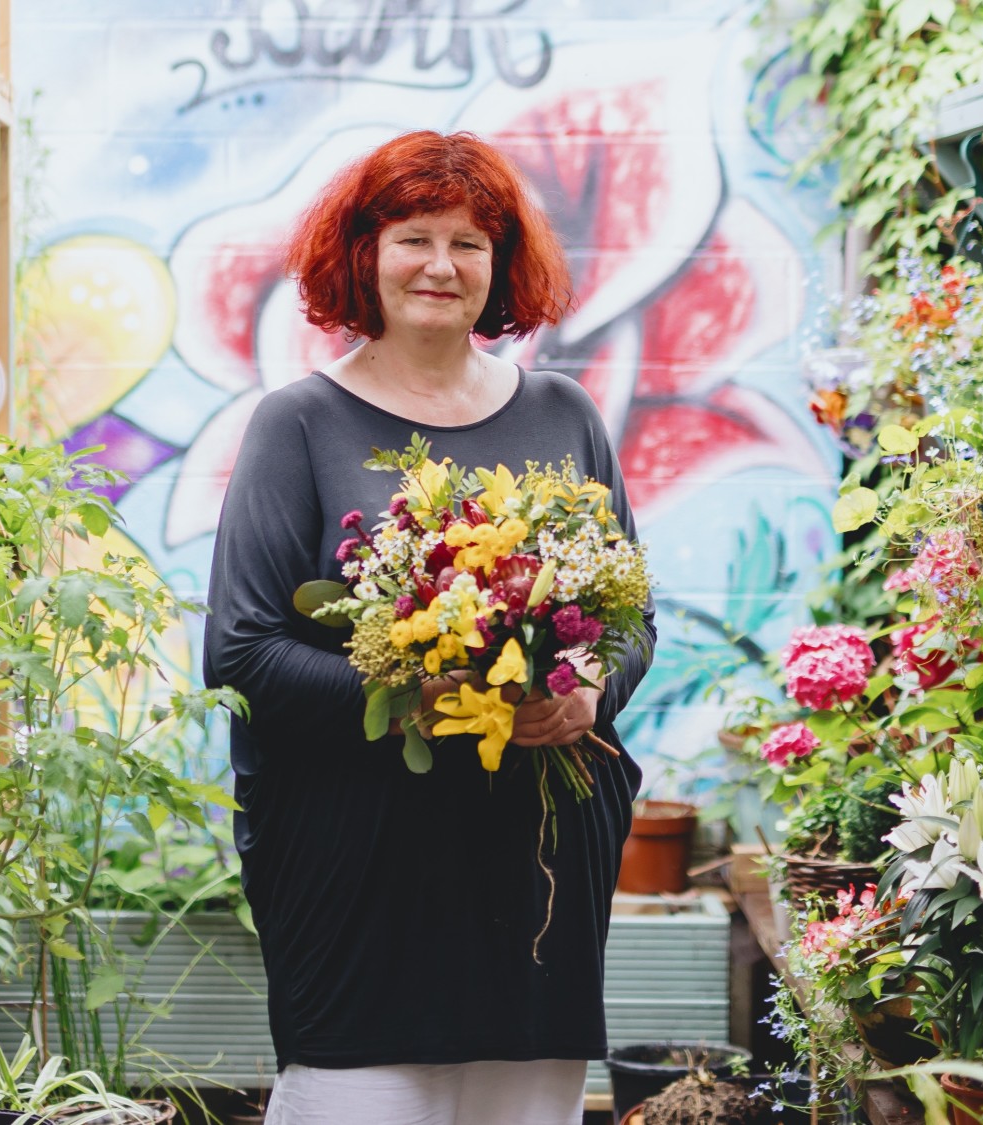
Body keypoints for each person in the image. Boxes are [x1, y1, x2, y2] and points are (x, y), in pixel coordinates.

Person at [203, 130, 655, 1125]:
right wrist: (417, 695)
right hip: (361, 878)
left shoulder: (564, 414)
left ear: (502, 267)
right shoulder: (300, 425)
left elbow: (631, 618)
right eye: (413, 237)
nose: (441, 266)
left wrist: (584, 689)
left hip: (534, 871)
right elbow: (240, 653)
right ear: (365, 253)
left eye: (468, 242)